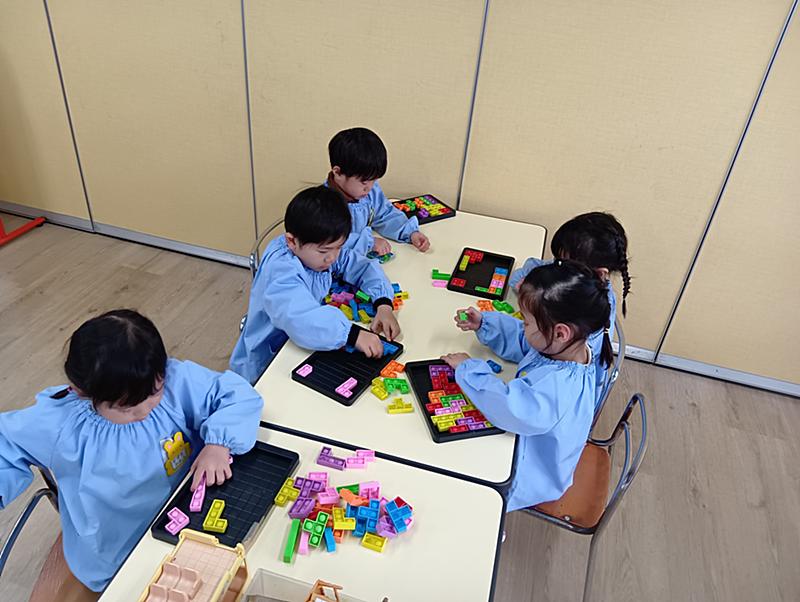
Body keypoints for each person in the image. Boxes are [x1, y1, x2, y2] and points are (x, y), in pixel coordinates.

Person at [0, 309, 263, 593]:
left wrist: (218, 443)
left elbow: (238, 395)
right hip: (115, 548)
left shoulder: (177, 380)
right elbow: (6, 443)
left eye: (155, 393)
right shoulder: (60, 424)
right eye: (126, 408)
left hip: (189, 518)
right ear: (81, 392)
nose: (144, 410)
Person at [441, 260, 611, 511]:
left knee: (458, 483)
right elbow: (525, 341)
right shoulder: (566, 346)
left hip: (531, 475)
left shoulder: (558, 386)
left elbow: (510, 409)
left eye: (527, 321)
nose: (523, 326)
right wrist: (485, 324)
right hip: (530, 444)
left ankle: (491, 524)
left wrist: (469, 369)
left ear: (560, 332)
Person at [230, 185, 401, 384]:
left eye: (338, 248)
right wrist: (352, 334)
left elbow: (361, 266)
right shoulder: (280, 270)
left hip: (305, 343)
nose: (332, 258)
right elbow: (298, 317)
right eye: (324, 252)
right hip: (266, 363)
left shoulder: (321, 247)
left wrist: (383, 303)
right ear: (292, 241)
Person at [326, 127, 430, 255]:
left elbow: (385, 215)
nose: (370, 187)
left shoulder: (369, 192)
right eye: (364, 182)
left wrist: (410, 233)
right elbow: (326, 241)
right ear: (338, 173)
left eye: (374, 180)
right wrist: (369, 242)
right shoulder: (322, 204)